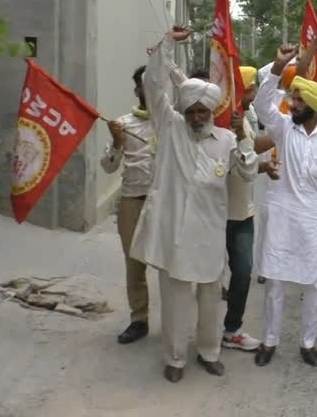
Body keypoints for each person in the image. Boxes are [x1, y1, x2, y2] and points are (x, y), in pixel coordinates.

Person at [130, 27, 258, 383]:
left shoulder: (228, 138)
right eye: (193, 111)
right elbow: (155, 83)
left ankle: (209, 352)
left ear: (212, 111)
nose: (198, 117)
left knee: (208, 301)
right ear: (184, 110)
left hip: (210, 233)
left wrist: (245, 139)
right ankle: (174, 358)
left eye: (204, 111)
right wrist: (169, 42)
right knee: (175, 302)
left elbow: (247, 174)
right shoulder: (170, 127)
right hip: (175, 233)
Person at [252, 44, 317, 368]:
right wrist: (278, 67)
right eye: (293, 98)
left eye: (298, 100)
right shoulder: (283, 128)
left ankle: (308, 343)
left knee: (311, 284)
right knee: (275, 281)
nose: (292, 103)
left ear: (311, 106)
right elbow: (262, 104)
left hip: (313, 220)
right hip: (282, 216)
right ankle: (270, 341)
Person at [221, 66, 279, 351]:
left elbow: (248, 154)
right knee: (207, 277)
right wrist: (286, 133)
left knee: (243, 272)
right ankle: (202, 331)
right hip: (215, 212)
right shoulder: (219, 120)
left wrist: (264, 164)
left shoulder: (245, 117)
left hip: (242, 211)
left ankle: (232, 329)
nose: (254, 92)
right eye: (250, 87)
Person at [100, 65, 156, 345]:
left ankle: (176, 320)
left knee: (172, 264)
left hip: (165, 204)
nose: (147, 88)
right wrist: (117, 142)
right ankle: (139, 319)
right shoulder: (123, 124)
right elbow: (108, 168)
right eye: (142, 84)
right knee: (134, 264)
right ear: (136, 90)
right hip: (133, 203)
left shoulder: (176, 122)